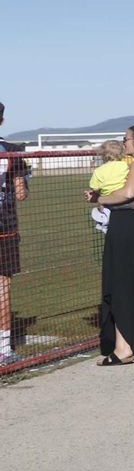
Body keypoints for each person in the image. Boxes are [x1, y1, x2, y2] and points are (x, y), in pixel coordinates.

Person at [90, 125, 134, 364]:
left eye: (126, 139)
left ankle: (123, 348)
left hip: (127, 233)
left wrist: (100, 199)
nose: (124, 144)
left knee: (120, 285)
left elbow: (128, 193)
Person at [0, 101, 30, 363]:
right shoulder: (12, 151)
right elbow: (20, 194)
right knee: (3, 286)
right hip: (5, 229)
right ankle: (4, 349)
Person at [87, 140, 134, 237]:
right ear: (121, 153)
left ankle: (104, 221)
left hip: (109, 202)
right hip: (129, 201)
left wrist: (94, 193)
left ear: (102, 154)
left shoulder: (98, 171)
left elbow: (94, 187)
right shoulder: (125, 166)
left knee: (101, 204)